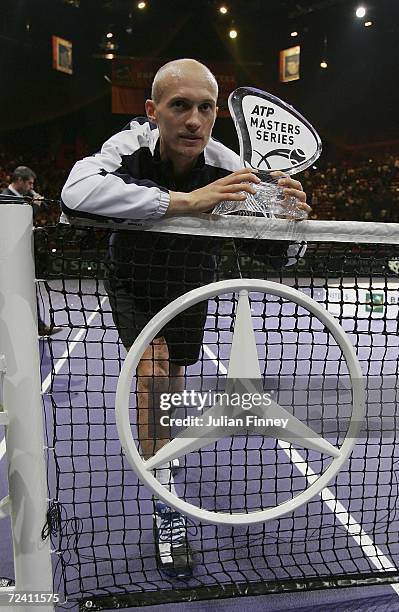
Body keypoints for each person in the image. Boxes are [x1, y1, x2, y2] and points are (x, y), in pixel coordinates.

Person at [61, 58, 309, 577]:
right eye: (180, 106)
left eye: (205, 108)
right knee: (151, 373)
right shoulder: (126, 147)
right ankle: (166, 507)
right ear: (153, 111)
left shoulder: (229, 165)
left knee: (171, 383)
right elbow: (76, 191)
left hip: (193, 284)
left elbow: (283, 257)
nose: (193, 120)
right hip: (134, 279)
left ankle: (163, 466)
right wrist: (185, 201)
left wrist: (290, 217)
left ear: (215, 113)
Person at [1, 166, 61, 336]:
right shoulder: (6, 197)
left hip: (18, 256)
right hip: (10, 258)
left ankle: (39, 327)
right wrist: (35, 206)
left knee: (28, 293)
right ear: (19, 180)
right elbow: (19, 222)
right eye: (29, 183)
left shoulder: (18, 197)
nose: (31, 187)